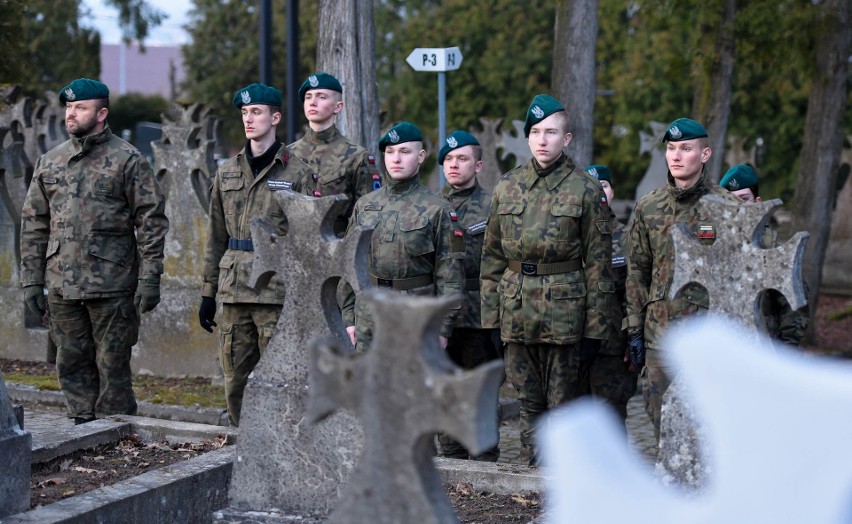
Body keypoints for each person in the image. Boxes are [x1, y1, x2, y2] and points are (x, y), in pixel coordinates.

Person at [20, 78, 169, 424]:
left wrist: (150, 278)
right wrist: (31, 281)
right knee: (70, 363)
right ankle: (82, 429)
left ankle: (116, 437)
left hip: (112, 285)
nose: (71, 114)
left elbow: (151, 221)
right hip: (62, 284)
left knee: (113, 367)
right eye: (69, 108)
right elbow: (34, 223)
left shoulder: (126, 159)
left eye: (80, 108)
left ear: (101, 113)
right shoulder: (51, 161)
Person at [480, 94, 614, 465]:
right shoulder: (506, 187)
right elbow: (492, 258)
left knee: (563, 407)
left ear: (567, 139)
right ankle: (531, 477)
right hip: (517, 311)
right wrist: (491, 320)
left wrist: (594, 331)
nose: (543, 139)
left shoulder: (585, 189)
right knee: (527, 402)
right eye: (536, 132)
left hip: (565, 315)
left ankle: (564, 482)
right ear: (527, 138)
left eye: (552, 132)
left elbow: (599, 266)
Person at [198, 83, 315, 426]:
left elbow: (307, 242)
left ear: (275, 117)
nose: (249, 119)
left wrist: (304, 299)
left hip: (275, 293)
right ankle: (241, 448)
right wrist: (208, 292)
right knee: (235, 382)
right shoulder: (227, 172)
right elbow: (215, 235)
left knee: (282, 382)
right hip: (234, 290)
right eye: (245, 113)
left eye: (257, 112)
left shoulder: (298, 173)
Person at [623, 118, 739, 442]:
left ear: (704, 154)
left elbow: (736, 277)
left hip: (707, 337)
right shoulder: (649, 207)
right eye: (671, 149)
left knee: (707, 432)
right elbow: (636, 271)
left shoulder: (727, 208)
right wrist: (633, 328)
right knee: (662, 427)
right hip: (659, 337)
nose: (676, 156)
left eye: (685, 149)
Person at [341, 122, 464, 351]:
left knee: (412, 385)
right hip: (369, 316)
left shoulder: (437, 209)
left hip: (417, 316)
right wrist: (349, 317)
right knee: (367, 385)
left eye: (404, 152)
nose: (396, 159)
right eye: (390, 152)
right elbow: (349, 262)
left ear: (421, 156)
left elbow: (450, 275)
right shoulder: (366, 205)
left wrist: (443, 327)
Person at [436, 130, 502, 461]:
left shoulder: (494, 205)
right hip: (440, 318)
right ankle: (450, 467)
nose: (454, 165)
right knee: (445, 396)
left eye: (462, 158)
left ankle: (485, 471)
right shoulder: (431, 206)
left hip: (480, 317)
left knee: (480, 397)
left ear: (479, 165)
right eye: (448, 159)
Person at [719, 164, 810, 345]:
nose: (738, 206)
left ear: (757, 203)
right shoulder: (714, 246)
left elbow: (795, 308)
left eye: (744, 199)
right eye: (731, 200)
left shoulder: (775, 250)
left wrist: (783, 357)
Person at [288, 72, 382, 236]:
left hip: (335, 250)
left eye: (321, 97)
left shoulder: (356, 157)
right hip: (291, 251)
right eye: (308, 97)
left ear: (338, 107)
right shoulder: (287, 155)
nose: (313, 102)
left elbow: (369, 216)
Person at [584, 164, 638, 424]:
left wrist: (633, 338)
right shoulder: (569, 236)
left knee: (611, 420)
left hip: (613, 346)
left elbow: (636, 290)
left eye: (603, 186)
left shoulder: (629, 237)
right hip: (574, 343)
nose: (598, 192)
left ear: (612, 191)